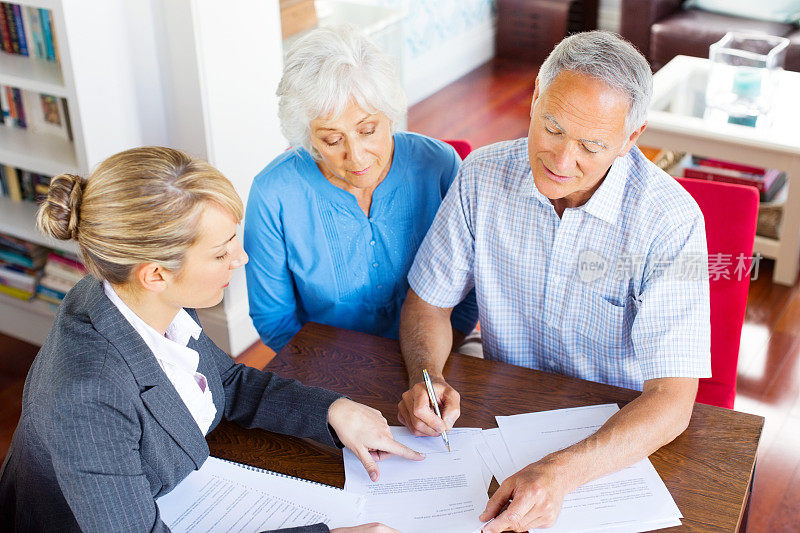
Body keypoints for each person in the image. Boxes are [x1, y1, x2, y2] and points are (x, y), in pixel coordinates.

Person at [0, 147, 421, 533]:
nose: (241, 258)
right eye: (221, 253)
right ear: (156, 274)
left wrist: (334, 411)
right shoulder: (88, 396)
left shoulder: (137, 292)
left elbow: (226, 382)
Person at [396, 31, 711, 532]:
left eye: (591, 146)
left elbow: (672, 400)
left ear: (631, 139)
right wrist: (425, 378)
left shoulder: (669, 221)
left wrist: (562, 473)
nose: (562, 161)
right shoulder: (481, 175)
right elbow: (428, 305)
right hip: (497, 415)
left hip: (612, 439)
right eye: (553, 128)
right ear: (535, 97)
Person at [244, 25, 477, 353]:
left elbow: (471, 286)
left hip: (437, 355)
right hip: (328, 367)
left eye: (368, 130)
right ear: (306, 135)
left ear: (391, 115)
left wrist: (434, 361)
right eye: (332, 139)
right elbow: (274, 319)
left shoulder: (439, 165)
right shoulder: (274, 194)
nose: (356, 156)